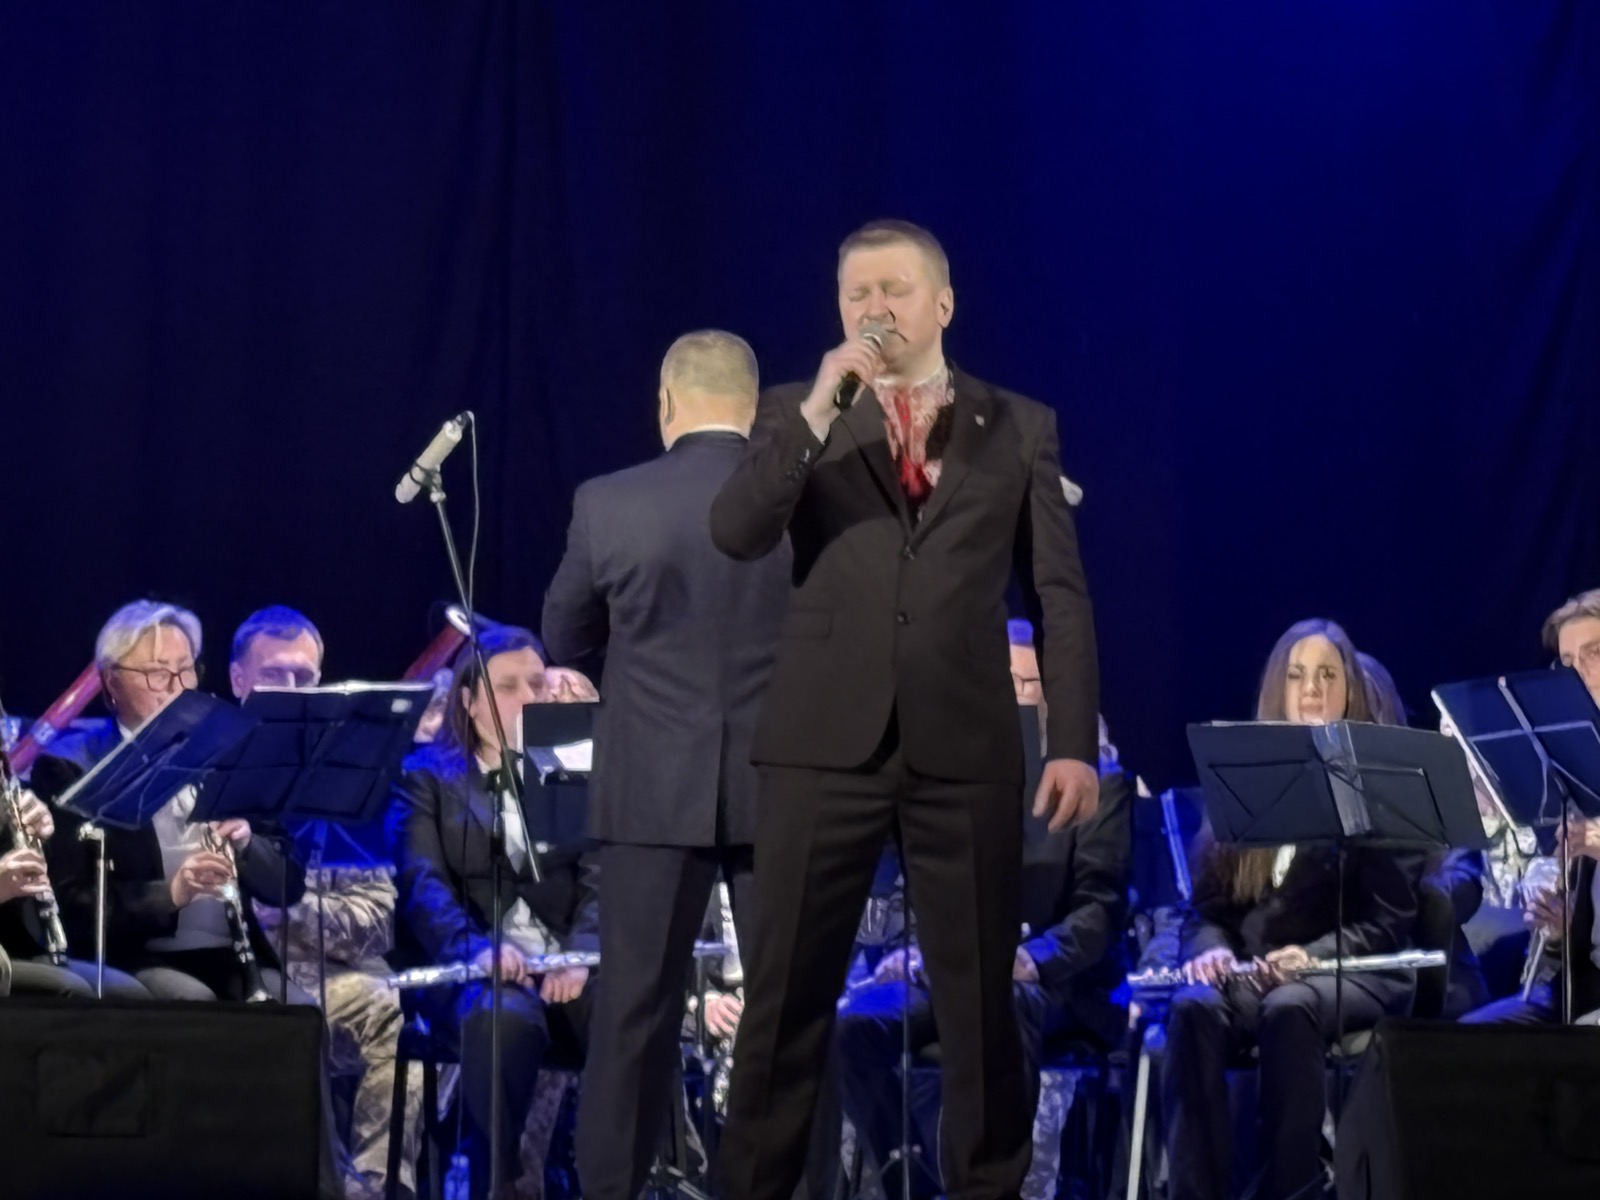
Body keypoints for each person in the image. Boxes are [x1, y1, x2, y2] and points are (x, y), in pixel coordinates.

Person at [711, 219, 1100, 1200]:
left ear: (943, 304)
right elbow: (736, 530)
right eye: (857, 295)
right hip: (820, 744)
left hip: (964, 743)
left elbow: (1058, 593)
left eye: (894, 290)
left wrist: (1071, 741)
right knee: (784, 1003)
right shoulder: (794, 411)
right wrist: (818, 412)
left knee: (980, 1010)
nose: (875, 310)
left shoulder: (1019, 425)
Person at [541, 329, 791, 1200]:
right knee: (791, 1014)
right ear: (754, 408)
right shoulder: (805, 501)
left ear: (666, 403)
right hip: (783, 784)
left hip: (649, 783)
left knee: (633, 1014)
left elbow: (564, 636)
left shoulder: (609, 502)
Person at [835, 618, 1130, 1199]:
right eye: (1002, 683)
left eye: (1027, 685)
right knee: (853, 1024)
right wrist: (919, 948)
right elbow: (929, 885)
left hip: (1055, 981)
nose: (1013, 698)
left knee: (1004, 1002)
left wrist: (1030, 958)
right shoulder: (952, 782)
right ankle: (912, 1180)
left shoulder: (1101, 783)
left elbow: (1100, 909)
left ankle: (993, 1186)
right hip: (956, 971)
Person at [1160, 619, 1424, 1200]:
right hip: (1259, 972)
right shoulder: (1246, 779)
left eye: (1327, 675)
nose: (1311, 689)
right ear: (1277, 688)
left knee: (1289, 1007)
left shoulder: (1382, 781)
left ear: (1349, 688)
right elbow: (1206, 911)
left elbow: (1386, 923)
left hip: (1358, 969)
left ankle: (1289, 1189)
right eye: (1297, 675)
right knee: (1192, 1008)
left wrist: (1311, 956)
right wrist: (1210, 953)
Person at [387, 624, 597, 1200]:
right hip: (475, 968)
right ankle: (493, 1181)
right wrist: (477, 949)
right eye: (508, 687)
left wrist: (581, 955)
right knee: (503, 1022)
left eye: (537, 683)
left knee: (631, 1016)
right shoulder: (426, 777)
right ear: (469, 702)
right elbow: (422, 883)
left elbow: (602, 876)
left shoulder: (569, 768)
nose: (530, 697)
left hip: (567, 962)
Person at [31, 600, 309, 1002]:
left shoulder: (227, 753)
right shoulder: (72, 768)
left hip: (231, 955)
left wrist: (249, 846)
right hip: (136, 956)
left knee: (302, 1010)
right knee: (194, 1004)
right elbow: (71, 907)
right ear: (112, 682)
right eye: (158, 673)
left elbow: (289, 886)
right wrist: (172, 893)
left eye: (185, 670)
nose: (177, 687)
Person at [229, 606, 417, 1200]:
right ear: (238, 680)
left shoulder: (351, 776)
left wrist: (291, 912)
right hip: (248, 976)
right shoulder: (216, 769)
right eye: (275, 677)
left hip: (342, 978)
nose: (294, 692)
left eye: (305, 678)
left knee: (400, 1013)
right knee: (302, 1019)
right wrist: (301, 914)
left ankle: (377, 1189)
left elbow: (379, 920)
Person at [1462, 588, 1600, 1024]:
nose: (1579, 673)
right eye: (1567, 661)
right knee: (1450, 1047)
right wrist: (1560, 931)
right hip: (1584, 987)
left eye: (1595, 653)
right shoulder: (1572, 763)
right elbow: (1576, 949)